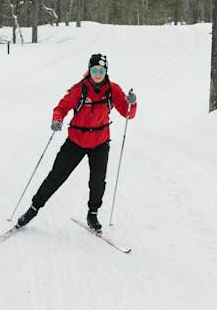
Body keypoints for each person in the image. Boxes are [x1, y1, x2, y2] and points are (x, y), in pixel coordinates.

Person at [16, 54, 137, 233]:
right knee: (56, 176)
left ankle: (92, 214)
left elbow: (128, 114)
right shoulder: (80, 89)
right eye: (94, 70)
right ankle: (33, 209)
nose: (98, 74)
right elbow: (61, 107)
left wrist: (132, 103)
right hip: (76, 141)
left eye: (101, 71)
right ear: (89, 70)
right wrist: (57, 119)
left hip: (100, 142)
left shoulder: (113, 89)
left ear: (106, 71)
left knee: (98, 181)